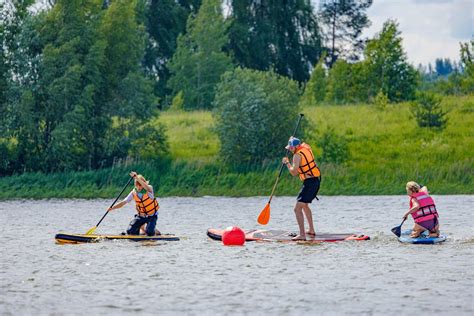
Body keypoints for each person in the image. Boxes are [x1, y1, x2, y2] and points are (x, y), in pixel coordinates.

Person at [282, 137, 321, 241]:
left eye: (291, 147)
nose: (290, 149)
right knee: (304, 206)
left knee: (297, 208)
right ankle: (311, 230)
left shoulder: (297, 155)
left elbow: (294, 173)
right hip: (315, 181)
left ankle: (302, 235)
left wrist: (287, 163)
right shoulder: (305, 148)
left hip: (310, 184)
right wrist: (291, 139)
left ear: (296, 147)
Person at [108, 171, 160, 236]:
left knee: (149, 232)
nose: (140, 187)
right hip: (141, 216)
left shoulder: (149, 189)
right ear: (136, 185)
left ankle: (154, 231)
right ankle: (142, 229)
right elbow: (123, 202)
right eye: (138, 186)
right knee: (130, 231)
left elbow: (145, 186)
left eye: (141, 185)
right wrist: (112, 208)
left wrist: (137, 178)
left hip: (152, 216)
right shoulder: (133, 192)